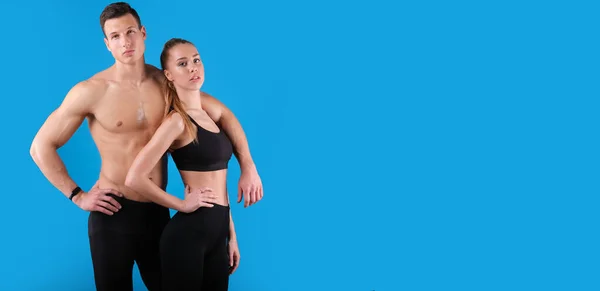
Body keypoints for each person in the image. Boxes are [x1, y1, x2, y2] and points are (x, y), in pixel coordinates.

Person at [29, 2, 263, 291]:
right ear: (107, 44)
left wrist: (248, 165)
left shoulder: (167, 83)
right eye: (115, 36)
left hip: (157, 212)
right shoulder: (91, 91)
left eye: (130, 32)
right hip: (112, 214)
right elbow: (41, 146)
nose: (125, 41)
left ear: (143, 33)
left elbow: (224, 115)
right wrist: (77, 196)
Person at [125, 37, 251, 291]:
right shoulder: (177, 121)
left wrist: (231, 236)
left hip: (218, 232)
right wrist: (181, 205)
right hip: (188, 236)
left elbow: (219, 182)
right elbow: (134, 178)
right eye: (183, 64)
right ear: (169, 75)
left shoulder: (210, 117)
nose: (193, 67)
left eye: (196, 60)